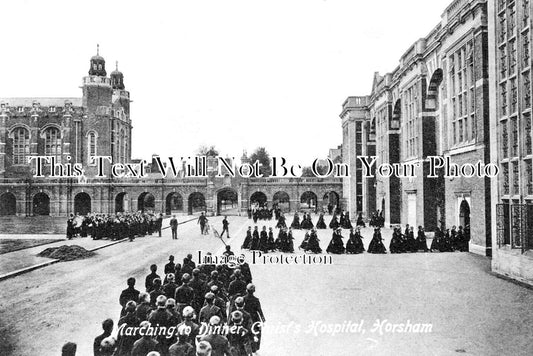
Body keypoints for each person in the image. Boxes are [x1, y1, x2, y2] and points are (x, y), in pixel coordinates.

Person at [243, 284, 265, 353]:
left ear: (246, 290)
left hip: (246, 317)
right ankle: (255, 347)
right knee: (257, 332)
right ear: (254, 291)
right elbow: (259, 310)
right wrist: (263, 319)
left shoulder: (243, 299)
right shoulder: (256, 300)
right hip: (255, 318)